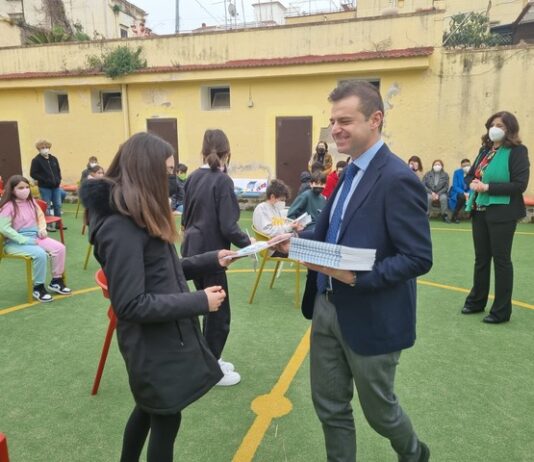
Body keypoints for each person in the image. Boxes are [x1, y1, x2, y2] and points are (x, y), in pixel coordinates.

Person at [291, 81, 432, 461]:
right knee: (329, 406)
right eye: (333, 121)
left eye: (345, 121)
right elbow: (332, 232)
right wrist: (291, 238)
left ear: (375, 119)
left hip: (372, 314)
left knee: (380, 412)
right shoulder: (348, 172)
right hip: (326, 305)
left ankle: (414, 452)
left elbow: (418, 257)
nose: (335, 129)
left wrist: (358, 278)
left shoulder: (397, 178)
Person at [80, 132, 233, 462]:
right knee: (165, 415)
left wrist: (211, 259)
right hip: (150, 344)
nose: (172, 181)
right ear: (145, 172)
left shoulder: (137, 214)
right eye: (167, 172)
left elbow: (164, 269)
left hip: (161, 337)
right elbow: (131, 304)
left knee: (149, 410)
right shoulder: (120, 226)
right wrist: (200, 301)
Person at [181, 129, 252, 387]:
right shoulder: (222, 180)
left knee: (207, 306)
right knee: (218, 313)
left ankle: (209, 359)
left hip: (191, 251)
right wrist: (250, 244)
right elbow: (228, 226)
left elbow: (185, 218)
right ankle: (211, 369)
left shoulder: (192, 177)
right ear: (227, 153)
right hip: (211, 255)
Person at [462, 111, 530, 324]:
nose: (495, 128)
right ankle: (476, 301)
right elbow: (470, 175)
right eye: (492, 124)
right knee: (481, 259)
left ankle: (501, 311)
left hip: (503, 213)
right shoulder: (485, 150)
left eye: (500, 125)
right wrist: (473, 183)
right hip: (480, 210)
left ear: (510, 129)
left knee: (501, 260)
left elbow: (520, 184)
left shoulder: (518, 151)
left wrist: (487, 187)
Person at [0, 175, 71, 302]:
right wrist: (22, 239)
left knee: (60, 248)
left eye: (27, 187)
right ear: (12, 190)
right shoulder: (8, 206)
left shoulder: (31, 202)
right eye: (21, 188)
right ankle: (38, 288)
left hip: (35, 237)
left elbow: (40, 217)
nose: (25, 190)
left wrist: (42, 229)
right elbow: (4, 228)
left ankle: (56, 281)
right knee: (40, 254)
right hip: (14, 242)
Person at [30, 139, 65, 231]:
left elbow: (58, 170)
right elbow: (33, 173)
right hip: (44, 187)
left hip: (56, 186)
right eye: (42, 147)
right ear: (38, 149)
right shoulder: (36, 160)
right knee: (47, 206)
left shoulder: (54, 159)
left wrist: (59, 179)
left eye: (46, 147)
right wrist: (45, 180)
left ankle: (58, 223)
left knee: (58, 205)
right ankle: (48, 225)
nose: (45, 149)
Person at [448, 158, 471, 223]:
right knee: (461, 196)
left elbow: (474, 185)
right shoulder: (457, 172)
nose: (466, 167)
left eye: (468, 165)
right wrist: (464, 193)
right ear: (461, 166)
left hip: (470, 193)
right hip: (457, 193)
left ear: (470, 165)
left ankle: (454, 216)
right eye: (464, 166)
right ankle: (455, 215)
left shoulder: (473, 173)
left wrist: (469, 193)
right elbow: (455, 186)